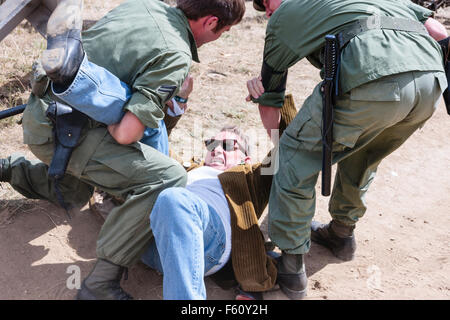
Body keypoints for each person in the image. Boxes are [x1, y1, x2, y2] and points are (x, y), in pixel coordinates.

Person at [0, 0, 246, 300]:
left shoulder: (145, 6)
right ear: (210, 22)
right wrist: (141, 112)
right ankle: (101, 284)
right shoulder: (177, 55)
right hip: (66, 131)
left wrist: (164, 107)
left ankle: (6, 167)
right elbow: (126, 134)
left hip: (44, 113)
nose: (219, 38)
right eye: (224, 31)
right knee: (166, 177)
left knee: (76, 191)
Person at [246, 0, 448, 299]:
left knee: (294, 156)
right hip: (429, 82)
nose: (267, 11)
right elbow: (438, 30)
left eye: (266, 4)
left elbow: (270, 96)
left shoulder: (286, 14)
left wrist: (282, 150)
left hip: (373, 78)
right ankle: (341, 234)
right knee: (365, 150)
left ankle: (289, 272)